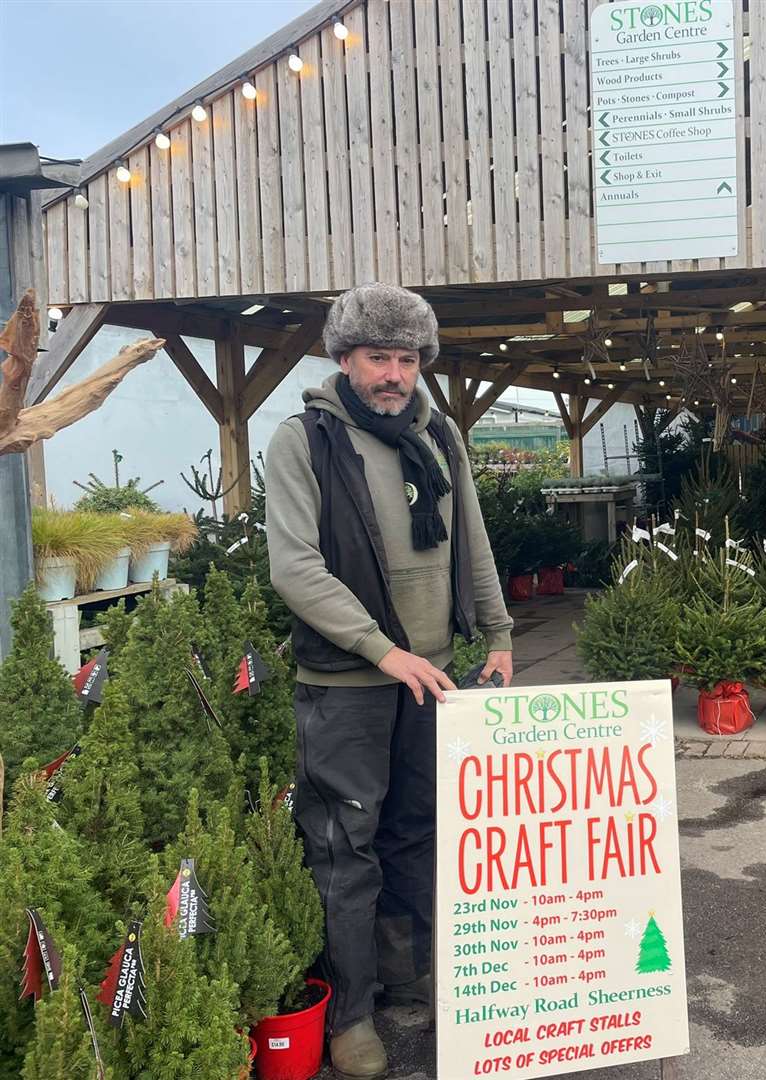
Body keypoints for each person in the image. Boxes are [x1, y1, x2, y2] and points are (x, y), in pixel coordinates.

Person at [266, 282, 514, 1078]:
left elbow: (469, 539)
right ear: (344, 358)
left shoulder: (437, 436)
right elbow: (296, 570)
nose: (394, 374)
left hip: (430, 681)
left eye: (408, 359)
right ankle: (350, 1014)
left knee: (416, 834)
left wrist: (500, 633)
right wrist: (384, 651)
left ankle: (408, 981)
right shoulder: (304, 441)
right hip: (345, 686)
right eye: (380, 357)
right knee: (346, 851)